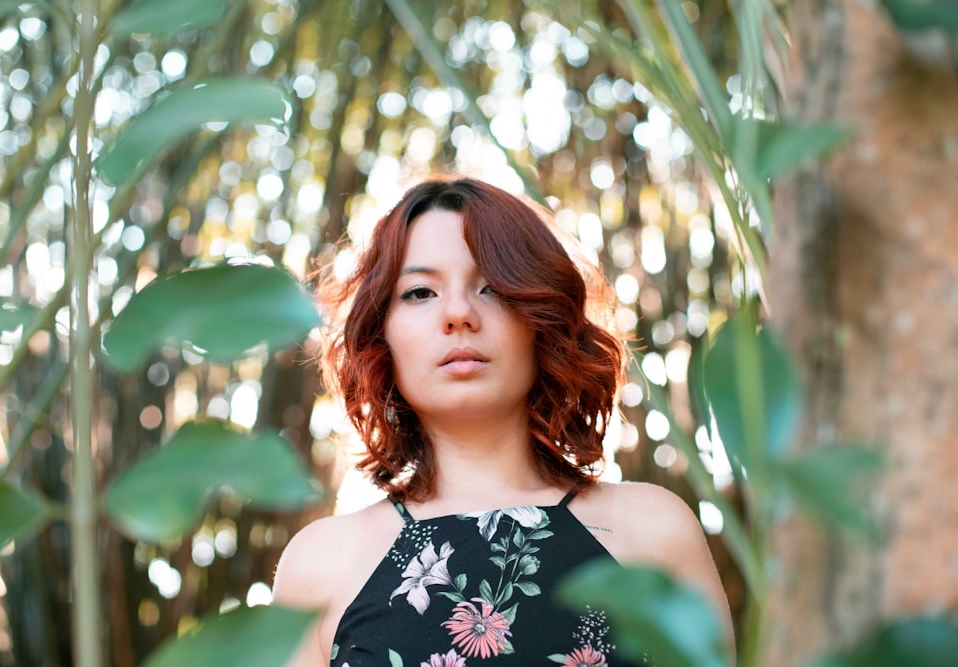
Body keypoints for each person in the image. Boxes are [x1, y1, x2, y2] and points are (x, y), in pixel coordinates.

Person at [273, 176, 734, 666]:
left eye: (492, 286)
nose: (458, 314)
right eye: (420, 292)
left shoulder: (653, 531)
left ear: (544, 317)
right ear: (380, 334)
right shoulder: (320, 566)